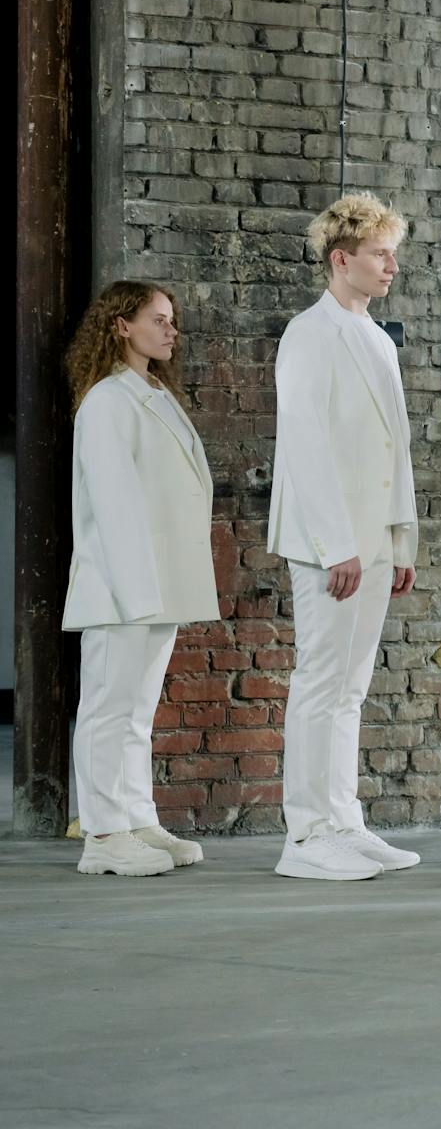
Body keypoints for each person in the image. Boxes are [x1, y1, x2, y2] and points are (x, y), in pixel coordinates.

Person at [268, 194, 421, 882]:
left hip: (373, 543)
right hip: (331, 544)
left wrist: (401, 543)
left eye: (393, 253)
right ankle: (305, 835)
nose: (393, 265)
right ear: (342, 259)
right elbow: (305, 446)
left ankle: (344, 822)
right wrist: (338, 545)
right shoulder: (310, 334)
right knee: (320, 680)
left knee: (351, 688)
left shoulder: (376, 337)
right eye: (380, 254)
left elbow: (395, 449)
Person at [62, 281, 220, 877]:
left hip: (156, 584)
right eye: (159, 319)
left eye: (172, 320)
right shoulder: (107, 399)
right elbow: (114, 503)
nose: (171, 329)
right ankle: (103, 836)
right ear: (121, 326)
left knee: (135, 711)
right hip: (122, 588)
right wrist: (136, 593)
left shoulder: (153, 391)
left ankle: (137, 819)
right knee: (107, 709)